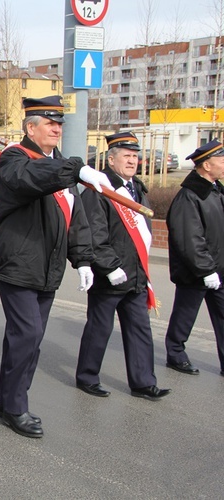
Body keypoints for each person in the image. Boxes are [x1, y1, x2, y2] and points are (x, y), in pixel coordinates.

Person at [0, 95, 111, 439]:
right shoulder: (15, 158)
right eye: (49, 123)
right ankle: (15, 407)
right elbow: (29, 179)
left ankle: (9, 401)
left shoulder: (59, 166)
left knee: (28, 339)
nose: (57, 128)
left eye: (59, 124)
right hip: (16, 263)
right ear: (30, 127)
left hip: (47, 265)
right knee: (27, 334)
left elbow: (75, 217)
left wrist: (83, 258)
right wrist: (73, 169)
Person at [76, 132, 171, 401]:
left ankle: (143, 382)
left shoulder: (137, 189)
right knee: (99, 327)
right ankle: (87, 376)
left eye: (135, 156)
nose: (132, 161)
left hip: (136, 274)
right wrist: (109, 266)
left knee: (140, 329)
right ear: (111, 158)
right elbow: (93, 232)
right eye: (126, 156)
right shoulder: (99, 188)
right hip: (111, 276)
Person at [165, 139, 224, 377]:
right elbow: (189, 237)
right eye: (222, 160)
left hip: (218, 269)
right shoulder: (189, 196)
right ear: (207, 165)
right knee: (185, 315)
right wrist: (205, 269)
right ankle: (175, 354)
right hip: (197, 271)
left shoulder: (216, 191)